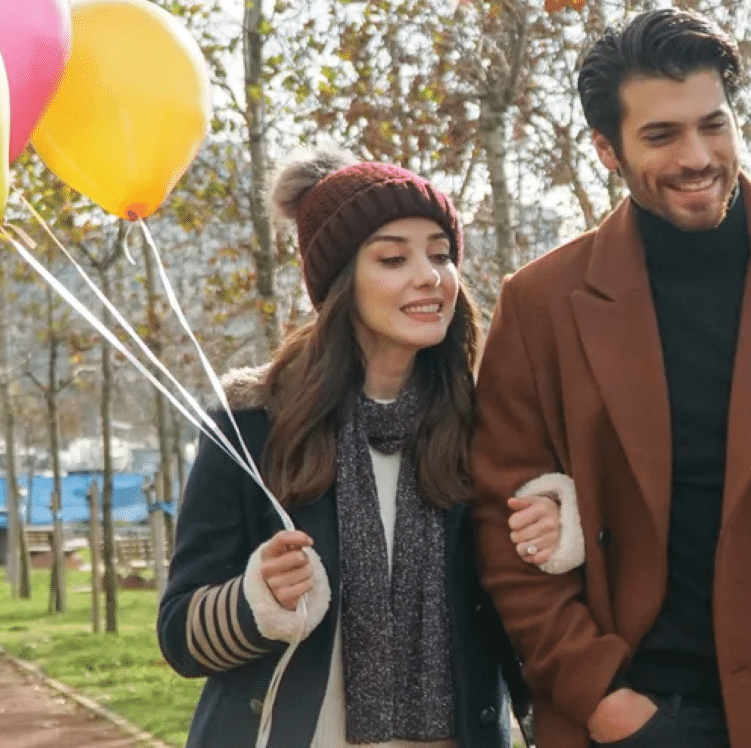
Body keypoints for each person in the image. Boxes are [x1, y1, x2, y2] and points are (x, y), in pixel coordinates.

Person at [470, 7, 751, 748]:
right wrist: (602, 695)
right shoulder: (540, 302)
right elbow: (500, 523)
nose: (698, 155)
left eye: (714, 124)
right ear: (606, 149)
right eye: (661, 135)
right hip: (632, 716)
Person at [157, 150, 585, 748]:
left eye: (440, 254)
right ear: (339, 282)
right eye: (393, 257)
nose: (429, 276)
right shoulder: (254, 422)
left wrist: (558, 527)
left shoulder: (481, 424)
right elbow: (179, 635)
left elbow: (529, 606)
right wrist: (258, 598)